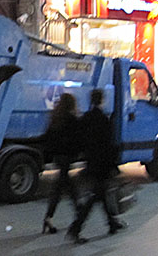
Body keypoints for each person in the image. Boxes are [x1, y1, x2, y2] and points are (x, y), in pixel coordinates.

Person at [66, 89, 126, 244]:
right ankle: (76, 228)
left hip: (91, 162)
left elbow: (80, 139)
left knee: (100, 194)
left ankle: (112, 223)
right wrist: (113, 165)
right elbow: (109, 144)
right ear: (101, 101)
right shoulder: (104, 119)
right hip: (102, 164)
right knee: (95, 197)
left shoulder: (86, 118)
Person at [42, 93, 82, 235]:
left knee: (64, 186)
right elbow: (78, 139)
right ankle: (79, 215)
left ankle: (51, 218)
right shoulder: (72, 120)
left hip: (58, 157)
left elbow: (47, 137)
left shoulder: (55, 118)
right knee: (65, 188)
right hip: (67, 157)